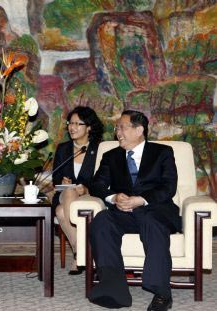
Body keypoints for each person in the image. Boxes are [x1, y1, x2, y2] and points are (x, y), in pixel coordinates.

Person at [87, 110, 181, 311]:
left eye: (122, 127)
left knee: (152, 223)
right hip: (123, 212)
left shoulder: (162, 152)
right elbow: (97, 184)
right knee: (102, 221)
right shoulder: (111, 156)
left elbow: (168, 187)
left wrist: (142, 200)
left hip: (155, 210)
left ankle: (162, 293)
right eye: (116, 128)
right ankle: (113, 289)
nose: (117, 132)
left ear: (139, 130)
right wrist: (114, 197)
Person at [52, 106, 103, 274]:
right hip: (65, 195)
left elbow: (103, 180)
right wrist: (62, 180)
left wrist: (87, 188)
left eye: (77, 123)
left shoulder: (99, 149)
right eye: (70, 123)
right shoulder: (63, 148)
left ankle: (78, 254)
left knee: (60, 213)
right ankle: (82, 249)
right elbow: (55, 177)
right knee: (68, 191)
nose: (71, 127)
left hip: (90, 196)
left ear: (89, 127)